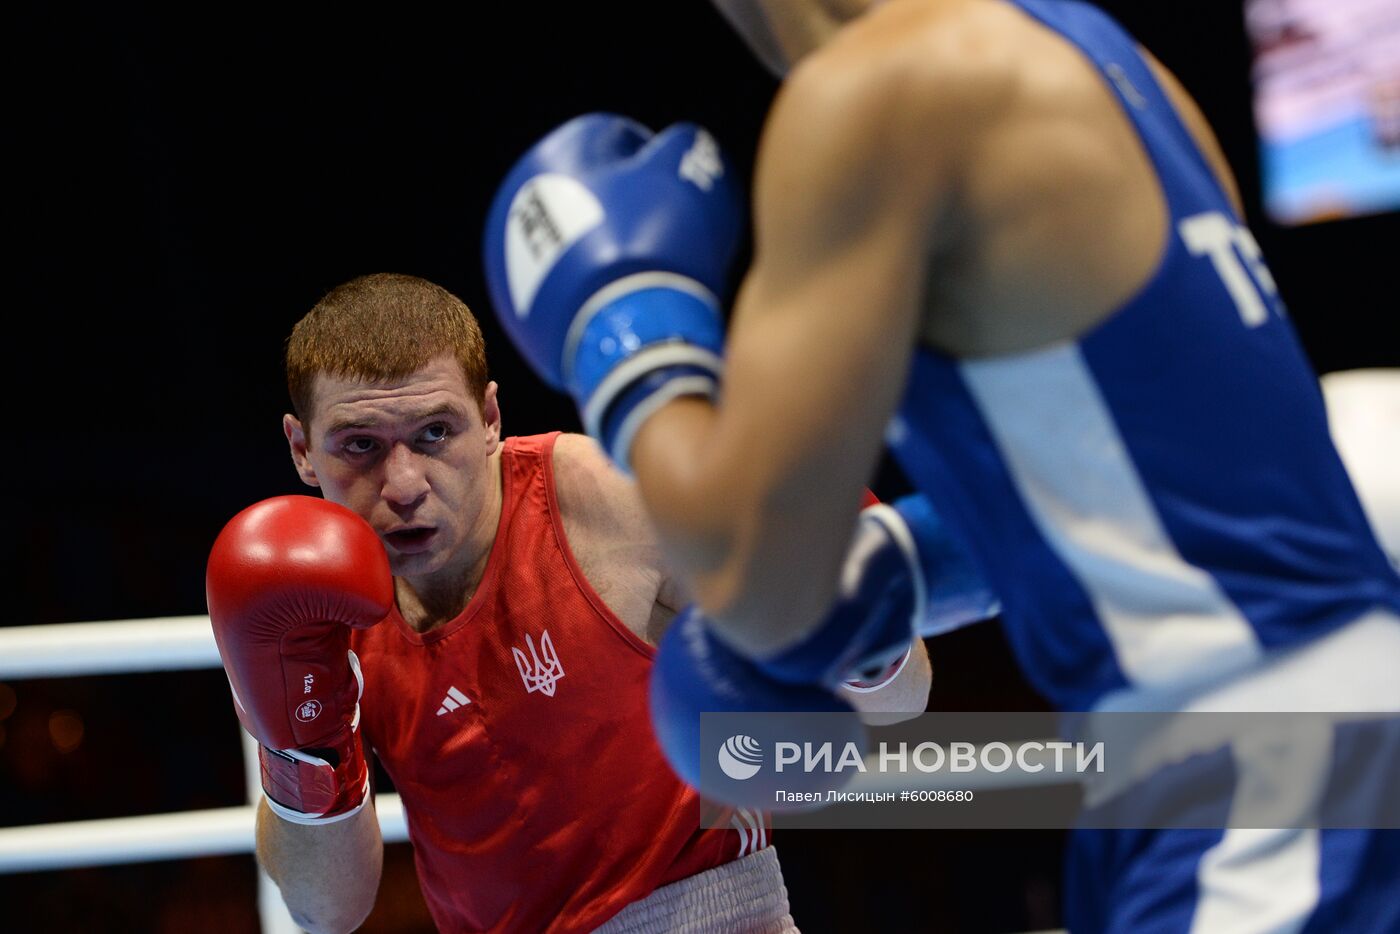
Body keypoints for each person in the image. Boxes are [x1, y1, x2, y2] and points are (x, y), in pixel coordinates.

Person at [480, 1, 1400, 931]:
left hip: (1252, 759)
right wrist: (912, 565)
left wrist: (623, 333)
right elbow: (1190, 464)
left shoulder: (872, 91)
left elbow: (757, 594)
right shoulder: (1106, 57)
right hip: (1306, 741)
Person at [204, 272, 933, 933]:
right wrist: (304, 744)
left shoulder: (610, 502)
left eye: (435, 433)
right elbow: (328, 908)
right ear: (301, 449)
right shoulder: (310, 609)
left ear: (490, 417)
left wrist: (858, 616)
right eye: (359, 446)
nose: (402, 484)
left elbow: (901, 701)